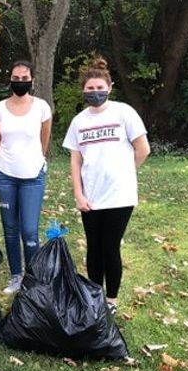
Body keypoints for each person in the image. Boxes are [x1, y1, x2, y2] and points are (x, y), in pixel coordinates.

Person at [62, 57, 150, 315]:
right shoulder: (79, 121)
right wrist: (78, 194)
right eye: (89, 89)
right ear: (83, 91)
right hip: (91, 196)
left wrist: (125, 172)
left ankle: (110, 301)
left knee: (110, 247)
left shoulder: (124, 113)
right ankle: (93, 296)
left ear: (109, 87)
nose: (94, 92)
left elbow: (143, 149)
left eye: (99, 87)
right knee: (93, 247)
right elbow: (76, 161)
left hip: (119, 196)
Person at [0, 60, 52, 295]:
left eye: (24, 78)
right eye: (15, 79)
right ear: (10, 80)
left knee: (29, 230)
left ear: (32, 80)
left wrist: (36, 160)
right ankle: (16, 276)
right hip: (5, 176)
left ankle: (33, 278)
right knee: (10, 228)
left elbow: (43, 140)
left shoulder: (42, 107)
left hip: (33, 176)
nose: (20, 82)